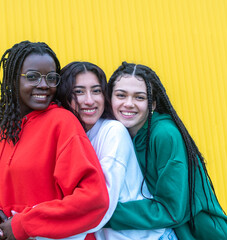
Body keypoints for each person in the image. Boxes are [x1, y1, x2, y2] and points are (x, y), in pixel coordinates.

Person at [0, 41, 109, 240]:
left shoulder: (62, 123)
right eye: (32, 77)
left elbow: (93, 199)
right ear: (13, 80)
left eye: (51, 78)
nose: (44, 85)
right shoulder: (0, 134)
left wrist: (25, 224)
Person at [105, 62, 227, 240]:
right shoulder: (121, 133)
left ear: (151, 105)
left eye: (139, 97)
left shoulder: (165, 135)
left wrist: (103, 213)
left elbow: (171, 209)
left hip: (203, 235)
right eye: (121, 95)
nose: (129, 104)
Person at [56, 61, 177, 240]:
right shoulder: (75, 137)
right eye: (79, 92)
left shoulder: (113, 132)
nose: (89, 100)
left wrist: (34, 231)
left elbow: (100, 205)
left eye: (96, 91)